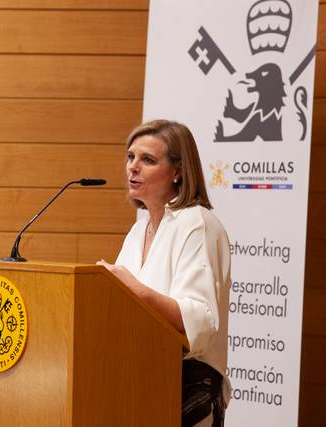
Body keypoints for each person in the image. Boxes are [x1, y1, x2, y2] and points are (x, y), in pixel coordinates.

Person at [97, 120, 231, 427]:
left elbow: (199, 319)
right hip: (138, 379)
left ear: (178, 171)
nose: (133, 167)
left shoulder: (197, 225)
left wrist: (131, 286)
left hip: (186, 386)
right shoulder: (138, 229)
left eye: (147, 159)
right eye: (130, 157)